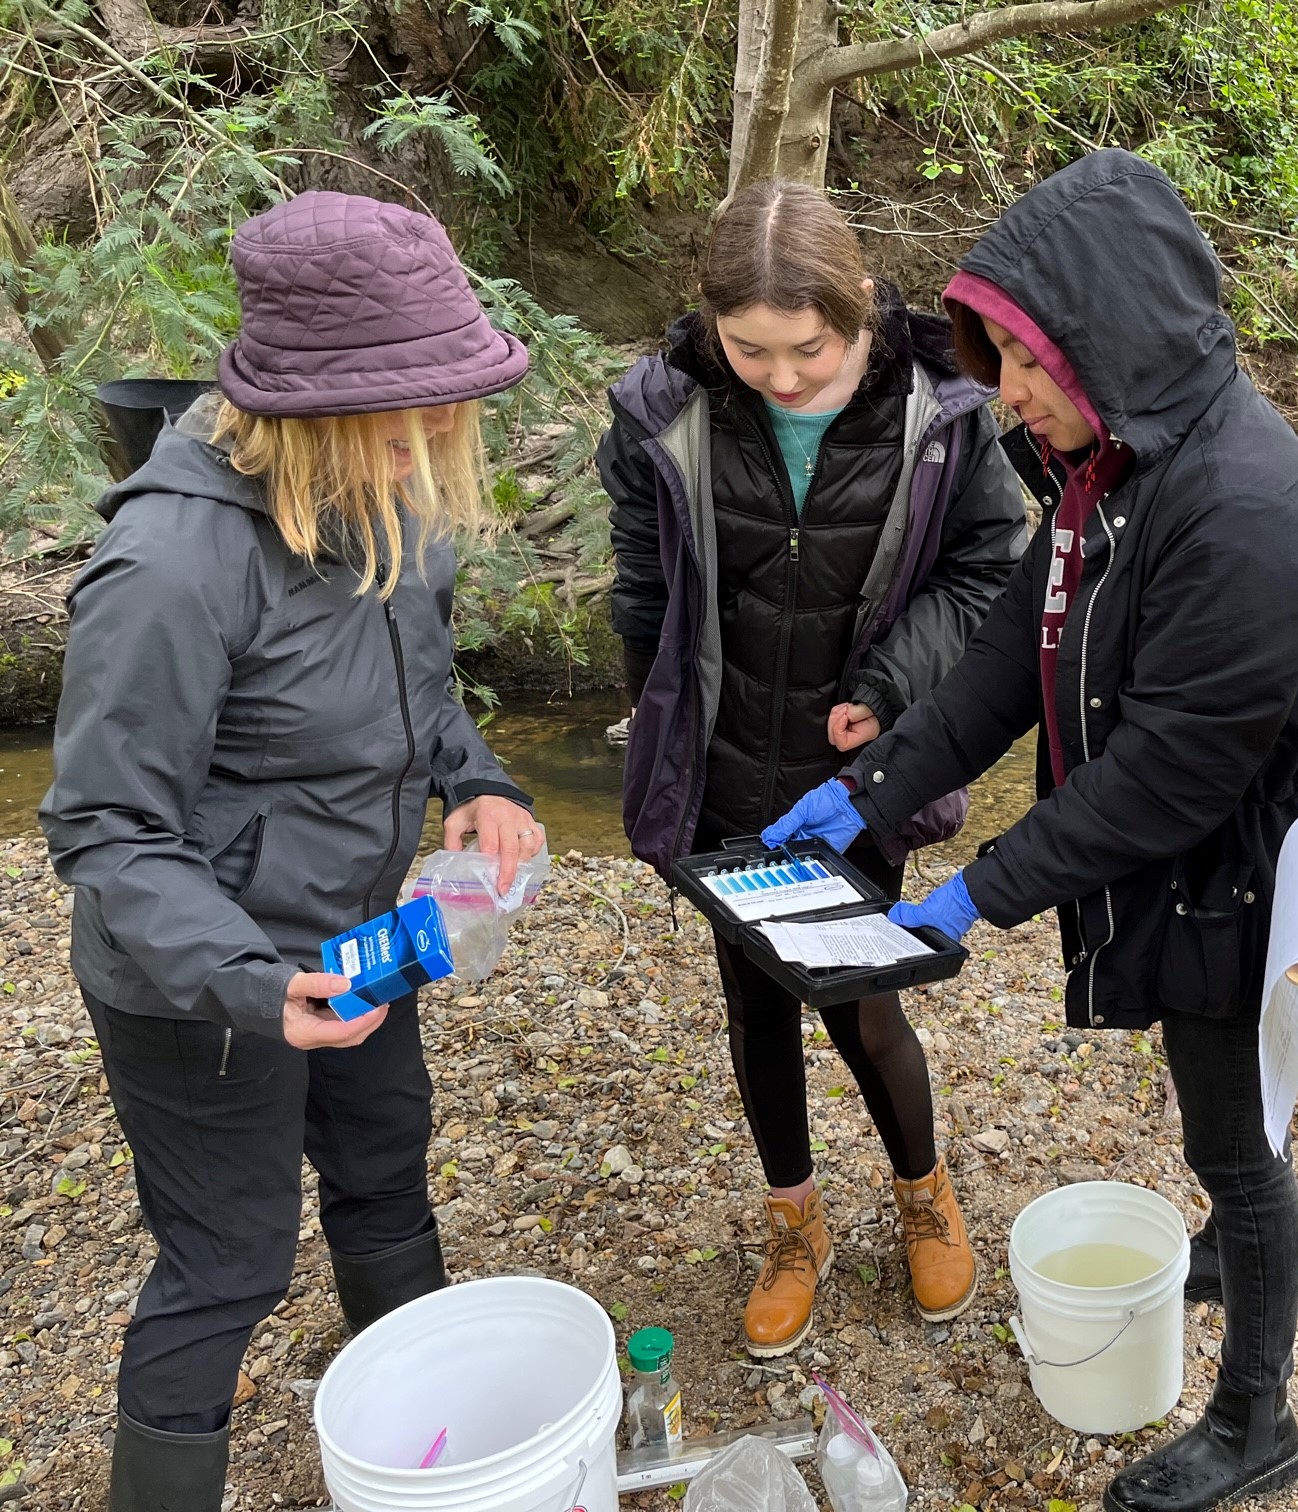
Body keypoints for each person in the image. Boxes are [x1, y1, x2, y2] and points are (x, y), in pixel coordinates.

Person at [763, 149, 1298, 1512]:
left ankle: (1254, 1423)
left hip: (1253, 881)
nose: (1014, 398)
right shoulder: (1112, 462)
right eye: (1002, 366)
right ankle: (1231, 1236)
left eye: (1032, 368)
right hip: (1175, 865)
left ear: (1113, 341)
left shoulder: (1249, 510)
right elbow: (1007, 659)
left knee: (1240, 1138)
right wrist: (872, 792)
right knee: (1223, 1125)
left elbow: (1173, 774)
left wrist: (983, 889)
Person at [39, 192, 543, 1512]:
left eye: (451, 405)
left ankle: (423, 1445)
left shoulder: (395, 494)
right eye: (415, 410)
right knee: (231, 1264)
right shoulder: (170, 561)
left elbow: (421, 691)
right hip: (198, 980)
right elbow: (103, 827)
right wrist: (259, 988)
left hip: (360, 934)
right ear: (310, 403)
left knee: (385, 1171)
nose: (442, 437)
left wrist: (474, 785)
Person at [599, 180, 1027, 1356]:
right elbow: (644, 587)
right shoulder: (665, 413)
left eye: (809, 348)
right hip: (722, 763)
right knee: (755, 1005)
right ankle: (796, 1220)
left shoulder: (940, 412)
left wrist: (889, 691)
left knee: (863, 997)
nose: (781, 377)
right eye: (751, 349)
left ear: (860, 318)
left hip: (864, 768)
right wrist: (658, 718)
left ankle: (921, 1195)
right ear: (710, 325)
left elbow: (990, 575)